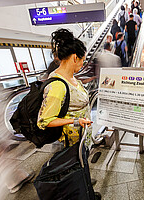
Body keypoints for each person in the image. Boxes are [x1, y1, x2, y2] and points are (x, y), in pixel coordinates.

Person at [37, 28, 101, 199]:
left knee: (83, 165)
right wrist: (74, 121)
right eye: (83, 60)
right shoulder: (57, 85)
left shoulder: (71, 78)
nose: (83, 63)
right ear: (74, 57)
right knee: (74, 170)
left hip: (81, 138)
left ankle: (88, 190)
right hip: (70, 141)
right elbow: (44, 121)